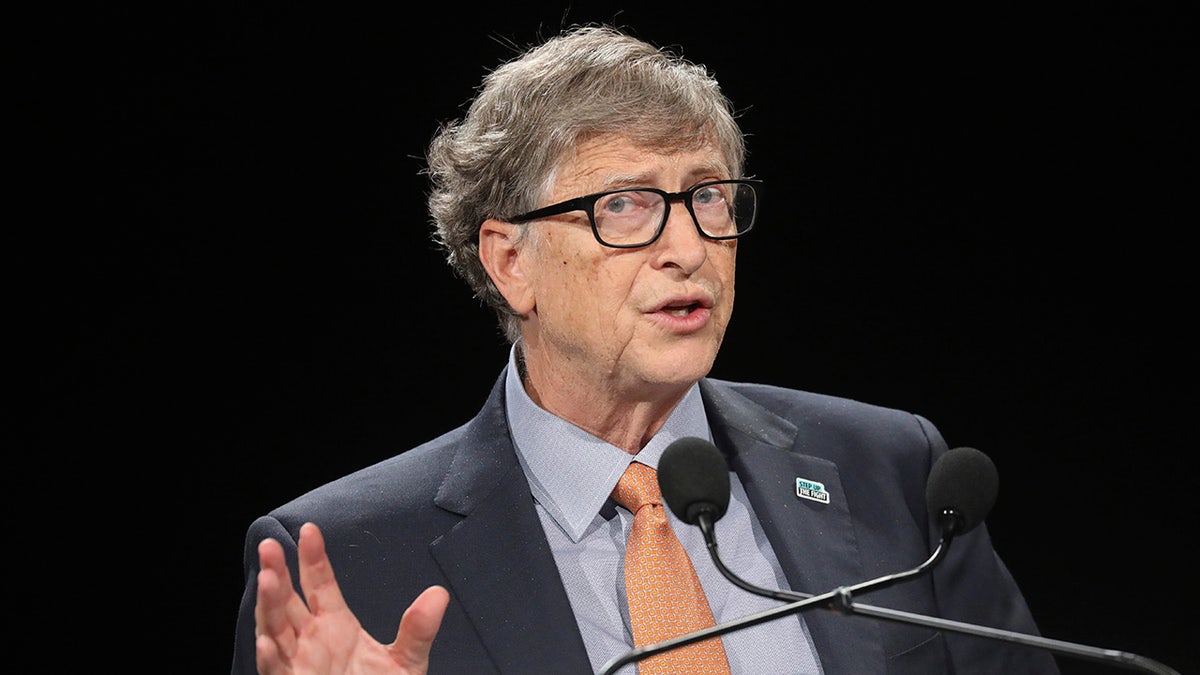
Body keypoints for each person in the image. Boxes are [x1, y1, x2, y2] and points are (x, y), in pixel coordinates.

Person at [232, 24, 1059, 674]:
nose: (688, 247)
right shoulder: (346, 559)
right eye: (624, 205)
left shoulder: (892, 469)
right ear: (510, 261)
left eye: (707, 196)